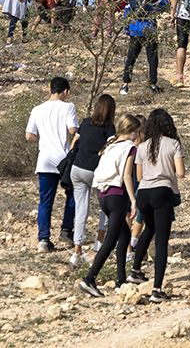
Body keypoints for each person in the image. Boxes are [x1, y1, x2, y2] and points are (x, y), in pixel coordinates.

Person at [79, 113, 142, 297]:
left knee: (124, 236)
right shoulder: (130, 148)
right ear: (132, 130)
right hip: (117, 196)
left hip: (103, 195)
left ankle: (120, 279)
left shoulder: (110, 145)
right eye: (137, 131)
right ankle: (90, 278)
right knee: (110, 240)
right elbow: (127, 176)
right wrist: (133, 200)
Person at [128, 109, 186, 304]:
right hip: (163, 191)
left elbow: (138, 176)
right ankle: (157, 288)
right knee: (161, 240)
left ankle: (135, 270)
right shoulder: (173, 144)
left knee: (148, 229)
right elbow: (181, 173)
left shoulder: (143, 147)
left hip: (144, 192)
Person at [25, 77, 79, 253]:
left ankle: (43, 239)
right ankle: (66, 230)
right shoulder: (68, 107)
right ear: (66, 91)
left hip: (45, 159)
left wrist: (43, 139)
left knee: (45, 200)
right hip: (62, 160)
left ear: (50, 90)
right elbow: (73, 130)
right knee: (72, 194)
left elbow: (29, 135)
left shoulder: (37, 109)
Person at [68, 94, 118, 267]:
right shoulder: (109, 128)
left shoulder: (85, 122)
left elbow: (75, 142)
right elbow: (112, 148)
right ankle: (99, 243)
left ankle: (77, 251)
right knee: (105, 207)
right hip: (96, 171)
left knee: (81, 209)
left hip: (77, 168)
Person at [120, 0, 169, 95]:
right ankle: (152, 84)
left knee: (131, 58)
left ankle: (125, 85)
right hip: (149, 29)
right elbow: (166, 5)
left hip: (135, 30)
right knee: (152, 58)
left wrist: (127, 29)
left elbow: (126, 13)